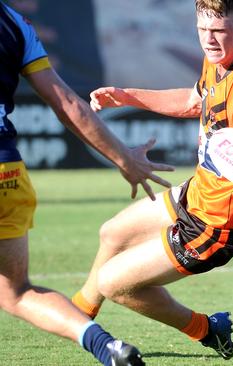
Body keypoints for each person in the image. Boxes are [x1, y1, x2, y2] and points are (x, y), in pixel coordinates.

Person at [70, 0, 233, 360]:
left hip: (215, 228)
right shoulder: (216, 62)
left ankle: (206, 329)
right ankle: (81, 315)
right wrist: (127, 96)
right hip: (195, 194)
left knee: (112, 283)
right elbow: (195, 100)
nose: (209, 40)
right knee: (111, 233)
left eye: (220, 31)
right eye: (202, 30)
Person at [0, 2, 175, 365]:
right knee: (15, 293)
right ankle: (105, 347)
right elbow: (67, 103)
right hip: (8, 175)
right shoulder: (15, 24)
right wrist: (124, 159)